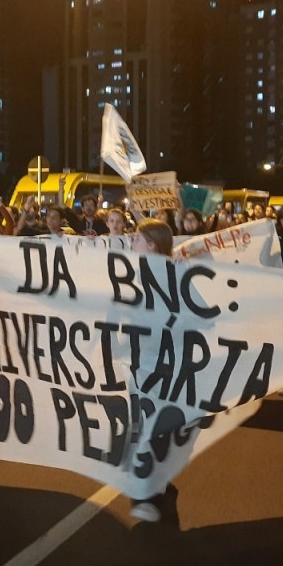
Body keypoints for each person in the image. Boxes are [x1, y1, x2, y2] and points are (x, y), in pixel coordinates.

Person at [126, 218, 176, 523]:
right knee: (141, 427)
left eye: (136, 239)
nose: (131, 243)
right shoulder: (132, 274)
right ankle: (148, 490)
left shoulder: (173, 276)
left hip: (163, 365)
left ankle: (149, 491)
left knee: (155, 427)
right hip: (139, 364)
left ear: (152, 245)